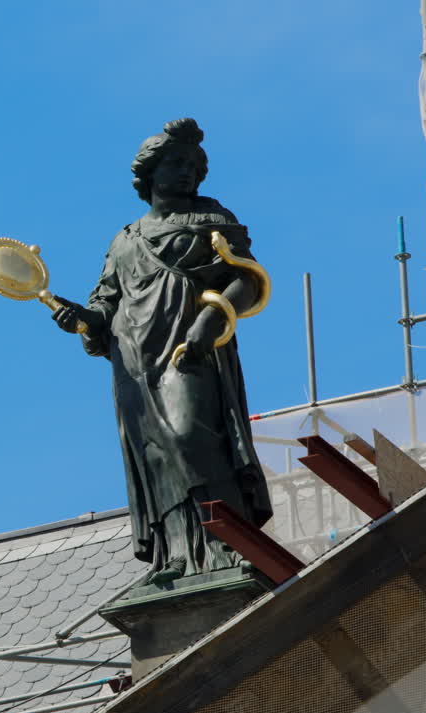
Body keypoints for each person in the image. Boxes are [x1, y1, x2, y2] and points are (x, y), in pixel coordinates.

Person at [51, 118, 272, 585]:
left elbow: (248, 280)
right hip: (133, 358)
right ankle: (176, 552)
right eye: (174, 162)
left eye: (192, 165)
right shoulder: (124, 240)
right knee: (156, 455)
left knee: (192, 434)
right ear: (148, 173)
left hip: (189, 348)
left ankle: (228, 543)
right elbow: (106, 304)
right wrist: (82, 318)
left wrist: (211, 319)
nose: (186, 171)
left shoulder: (214, 222)